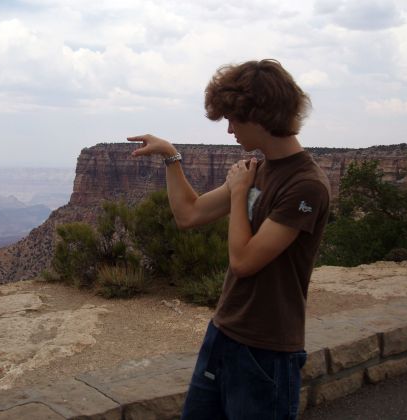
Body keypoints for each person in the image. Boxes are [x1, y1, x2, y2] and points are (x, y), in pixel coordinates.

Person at [127, 59, 330, 419]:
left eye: (233, 120)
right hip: (224, 333)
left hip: (267, 349)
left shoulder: (305, 185)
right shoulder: (257, 170)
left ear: (261, 116)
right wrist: (171, 156)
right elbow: (189, 214)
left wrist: (239, 194)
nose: (230, 130)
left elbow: (244, 261)